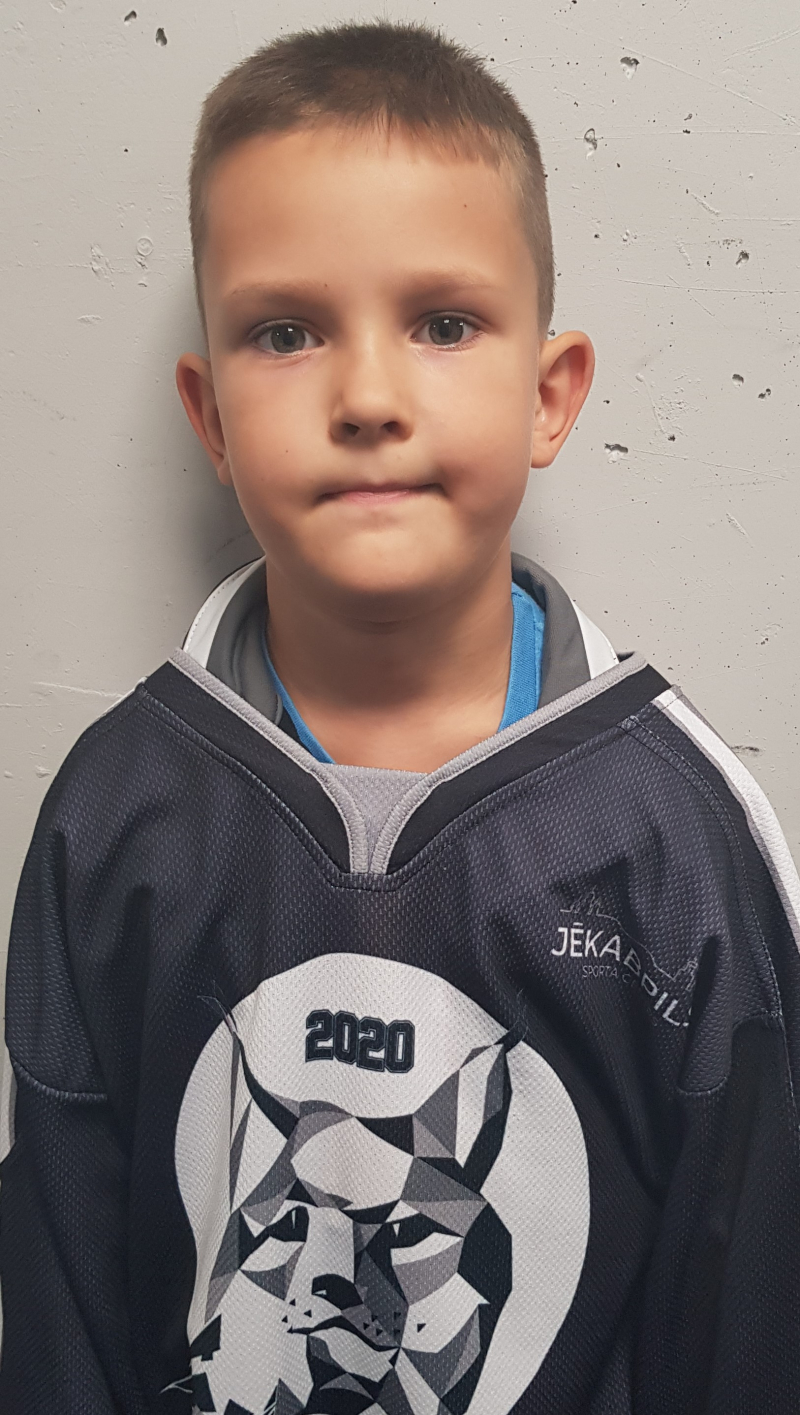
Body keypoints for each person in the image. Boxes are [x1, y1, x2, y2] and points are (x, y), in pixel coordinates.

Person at [1, 18, 799, 1414]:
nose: (368, 396)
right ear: (209, 416)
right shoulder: (114, 812)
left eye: (442, 323)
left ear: (550, 396)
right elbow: (61, 1293)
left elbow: (745, 1314)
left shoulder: (678, 839)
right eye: (286, 332)